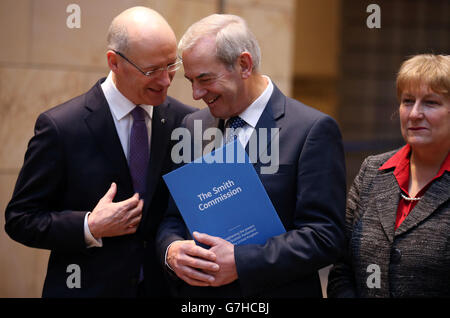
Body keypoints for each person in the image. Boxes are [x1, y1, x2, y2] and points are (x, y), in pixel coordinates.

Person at [4, 6, 195, 297]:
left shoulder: (187, 122)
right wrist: (89, 226)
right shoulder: (61, 127)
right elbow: (21, 219)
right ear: (114, 62)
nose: (166, 80)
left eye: (171, 65)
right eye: (152, 70)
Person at [156, 14, 346, 298]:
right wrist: (171, 251)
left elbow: (325, 236)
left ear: (244, 65)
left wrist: (242, 262)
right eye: (191, 80)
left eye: (205, 79)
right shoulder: (192, 127)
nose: (196, 94)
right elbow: (172, 217)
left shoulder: (312, 130)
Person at [327, 54, 450, 297]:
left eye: (431, 103)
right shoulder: (372, 170)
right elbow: (342, 268)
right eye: (407, 101)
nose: (414, 113)